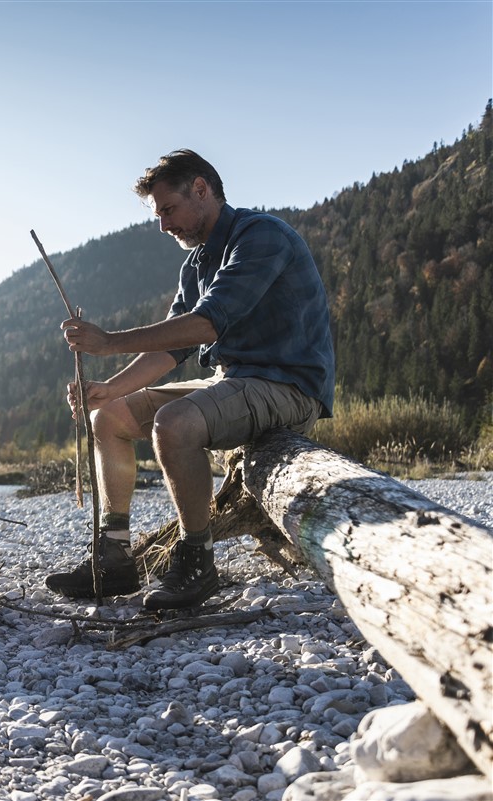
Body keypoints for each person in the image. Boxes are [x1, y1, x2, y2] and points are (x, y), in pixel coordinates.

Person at [46, 149, 335, 610]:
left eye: (168, 210)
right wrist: (110, 390)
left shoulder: (261, 236)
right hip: (232, 380)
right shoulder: (196, 264)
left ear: (200, 190)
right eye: (157, 214)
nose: (163, 224)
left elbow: (206, 324)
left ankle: (197, 559)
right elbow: (171, 348)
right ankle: (116, 557)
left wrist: (107, 342)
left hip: (288, 384)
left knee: (174, 423)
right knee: (110, 418)